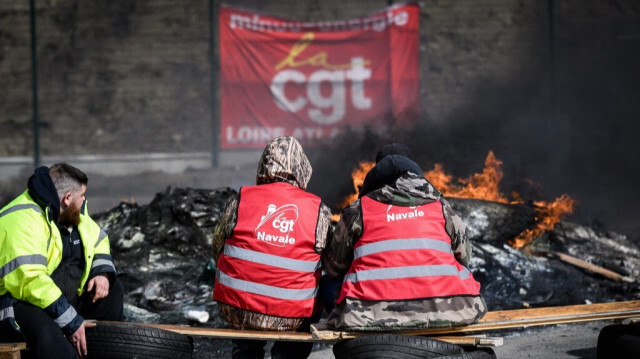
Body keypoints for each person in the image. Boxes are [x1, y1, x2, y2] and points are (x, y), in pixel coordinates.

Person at [323, 153, 487, 330]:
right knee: (463, 269)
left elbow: (335, 267)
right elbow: (465, 257)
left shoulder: (358, 210)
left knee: (326, 285)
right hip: (452, 311)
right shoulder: (441, 206)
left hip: (367, 317)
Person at [212, 136, 333, 359]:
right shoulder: (319, 210)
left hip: (238, 308)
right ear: (300, 167)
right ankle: (288, 355)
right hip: (293, 314)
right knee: (324, 286)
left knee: (242, 300)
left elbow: (217, 245)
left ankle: (245, 353)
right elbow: (331, 262)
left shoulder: (240, 199)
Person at [0, 163, 123, 358]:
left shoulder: (70, 214)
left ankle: (102, 350)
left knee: (114, 290)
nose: (84, 201)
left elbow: (98, 239)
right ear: (67, 198)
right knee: (48, 335)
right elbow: (31, 282)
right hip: (20, 304)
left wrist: (102, 274)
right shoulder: (23, 220)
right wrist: (72, 322)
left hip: (59, 300)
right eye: (82, 196)